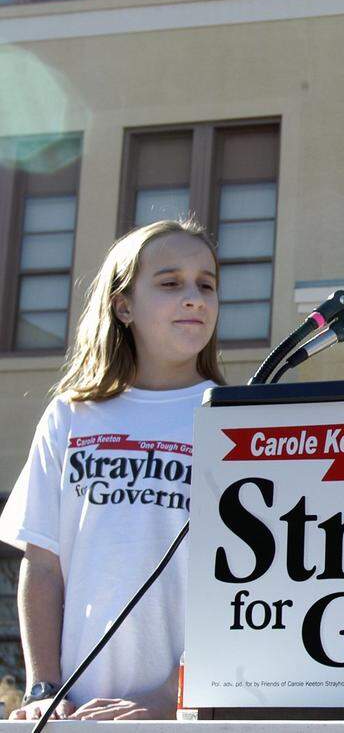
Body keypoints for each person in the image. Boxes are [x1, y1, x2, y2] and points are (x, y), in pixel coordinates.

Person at [0, 219, 223, 721]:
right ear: (124, 306)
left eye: (206, 284)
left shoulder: (232, 417)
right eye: (170, 283)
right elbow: (42, 564)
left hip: (189, 714)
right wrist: (44, 689)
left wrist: (171, 696)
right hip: (75, 713)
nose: (194, 297)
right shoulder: (70, 414)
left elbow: (246, 585)